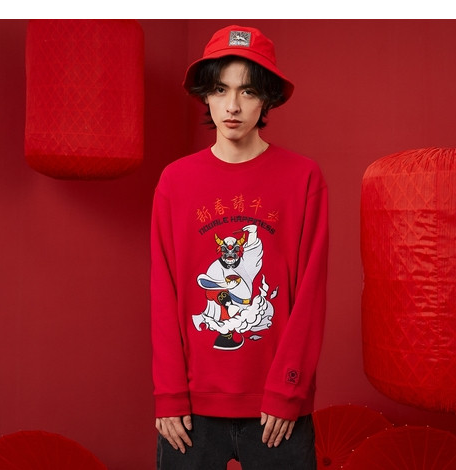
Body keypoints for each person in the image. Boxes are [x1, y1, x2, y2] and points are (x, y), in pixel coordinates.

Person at [150, 24, 328, 470]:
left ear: (266, 99)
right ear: (206, 96)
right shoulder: (175, 181)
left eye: (247, 92)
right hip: (190, 410)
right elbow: (164, 291)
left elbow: (310, 293)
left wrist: (288, 390)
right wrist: (169, 394)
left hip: (277, 410)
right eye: (220, 90)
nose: (232, 106)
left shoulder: (303, 178)